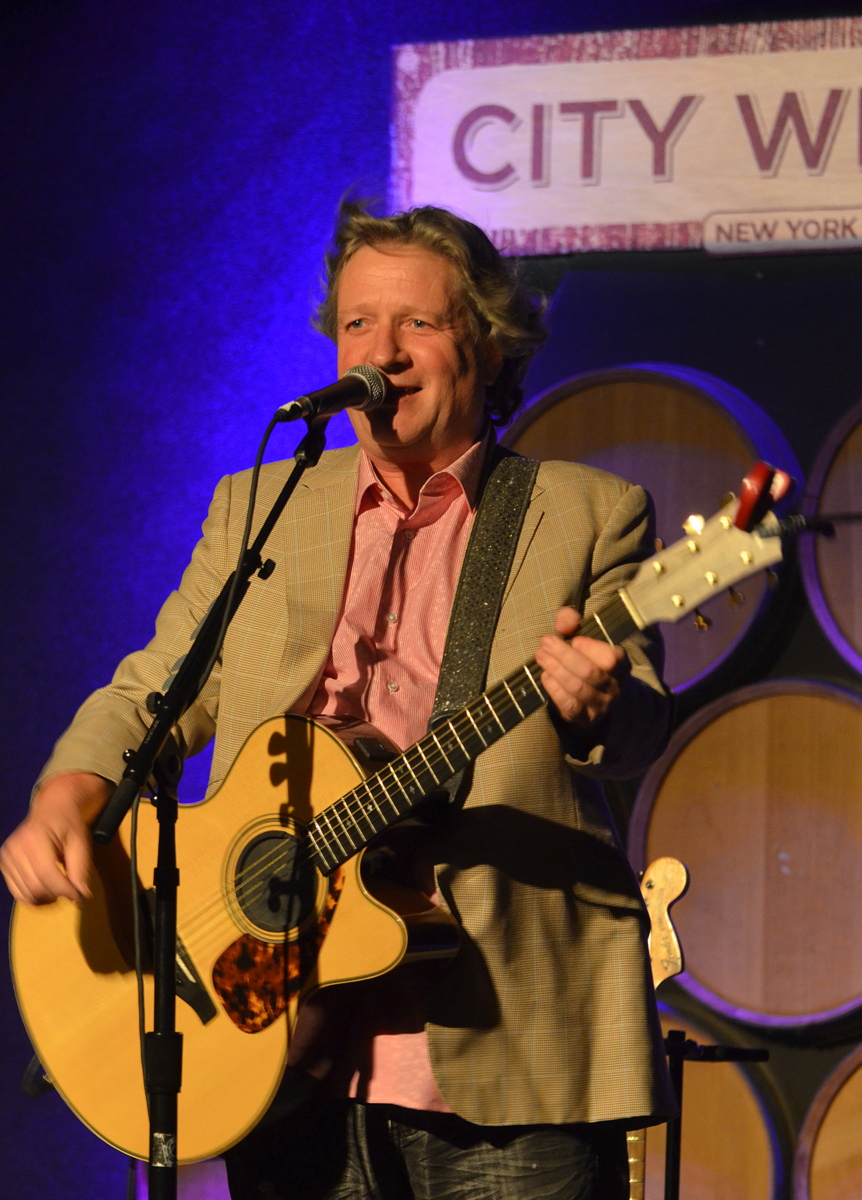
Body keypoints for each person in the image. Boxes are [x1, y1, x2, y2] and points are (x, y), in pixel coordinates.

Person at [1, 202, 674, 1199]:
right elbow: (156, 687)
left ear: (486, 348)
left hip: (508, 1041)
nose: (383, 353)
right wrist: (71, 790)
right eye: (359, 324)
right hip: (276, 1045)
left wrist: (595, 706)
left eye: (418, 324)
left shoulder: (585, 512)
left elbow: (641, 720)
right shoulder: (257, 508)